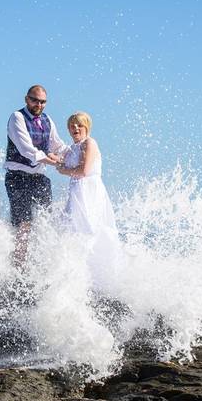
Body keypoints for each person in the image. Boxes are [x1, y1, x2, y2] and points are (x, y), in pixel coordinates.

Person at [56, 112, 121, 288]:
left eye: (79, 125)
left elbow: (84, 171)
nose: (75, 128)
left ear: (87, 127)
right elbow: (62, 162)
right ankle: (74, 277)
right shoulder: (73, 147)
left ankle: (98, 280)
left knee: (89, 230)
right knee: (71, 231)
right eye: (72, 125)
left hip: (89, 191)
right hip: (76, 192)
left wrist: (63, 171)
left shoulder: (89, 143)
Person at [4, 85, 67, 267]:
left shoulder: (47, 120)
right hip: (17, 177)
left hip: (39, 178)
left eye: (42, 102)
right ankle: (18, 265)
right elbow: (27, 150)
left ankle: (39, 264)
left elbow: (58, 145)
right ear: (26, 99)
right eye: (34, 100)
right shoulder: (17, 117)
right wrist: (54, 162)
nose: (38, 104)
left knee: (45, 222)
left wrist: (76, 153)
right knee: (23, 223)